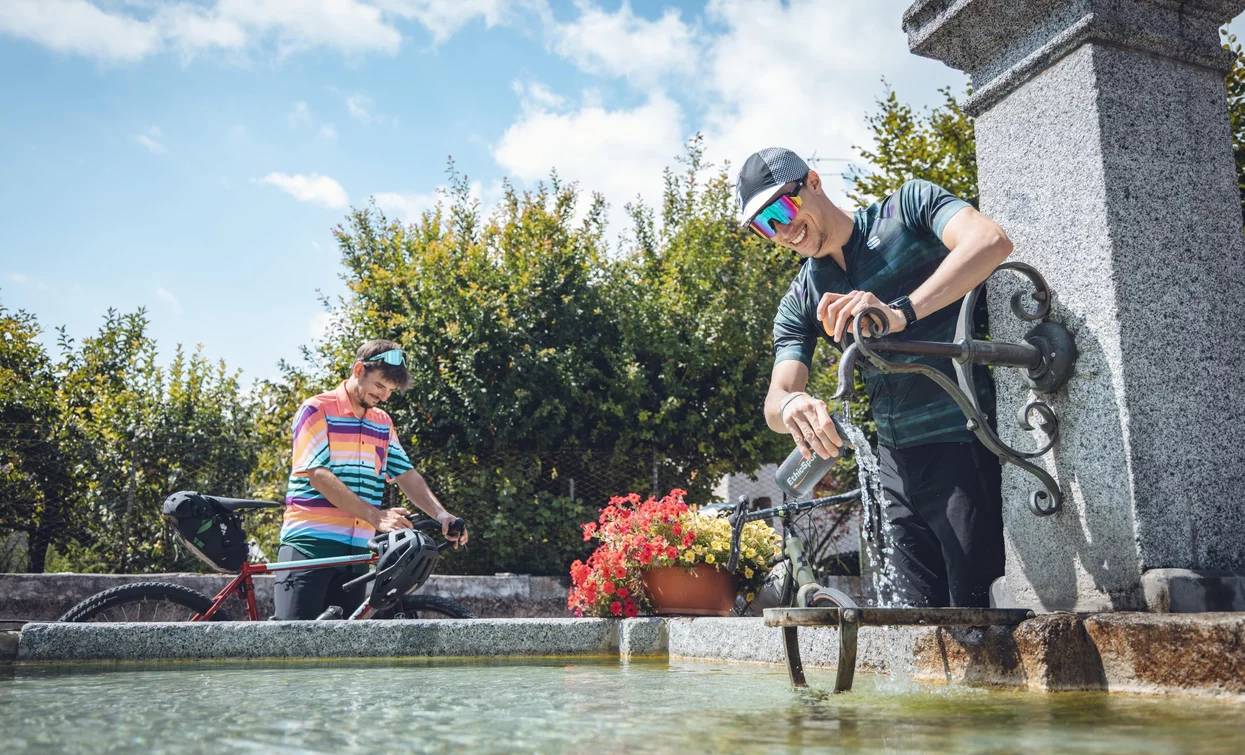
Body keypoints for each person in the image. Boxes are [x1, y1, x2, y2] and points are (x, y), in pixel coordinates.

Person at [738, 147, 1013, 608]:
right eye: (765, 224)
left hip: (969, 443)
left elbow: (989, 242)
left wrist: (898, 313)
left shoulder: (907, 208)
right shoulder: (802, 296)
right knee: (914, 632)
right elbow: (775, 398)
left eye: (783, 208)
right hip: (892, 470)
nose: (782, 230)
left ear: (813, 183)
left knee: (980, 618)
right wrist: (792, 406)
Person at [274, 339, 468, 619]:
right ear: (357, 370)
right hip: (310, 546)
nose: (384, 396)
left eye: (390, 390)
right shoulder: (316, 409)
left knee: (344, 655)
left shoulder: (382, 422)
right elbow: (318, 475)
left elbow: (406, 474)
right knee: (292, 651)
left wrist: (441, 514)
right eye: (379, 386)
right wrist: (376, 517)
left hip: (357, 553)